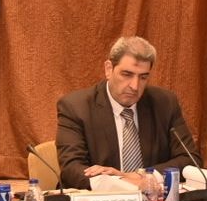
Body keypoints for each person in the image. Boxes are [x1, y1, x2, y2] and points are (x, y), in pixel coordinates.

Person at [55, 36, 197, 190]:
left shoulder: (164, 103)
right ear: (109, 69)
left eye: (143, 77)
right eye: (127, 74)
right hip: (101, 200)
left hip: (152, 198)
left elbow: (190, 160)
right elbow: (71, 169)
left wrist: (143, 176)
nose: (135, 86)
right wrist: (119, 181)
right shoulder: (76, 107)